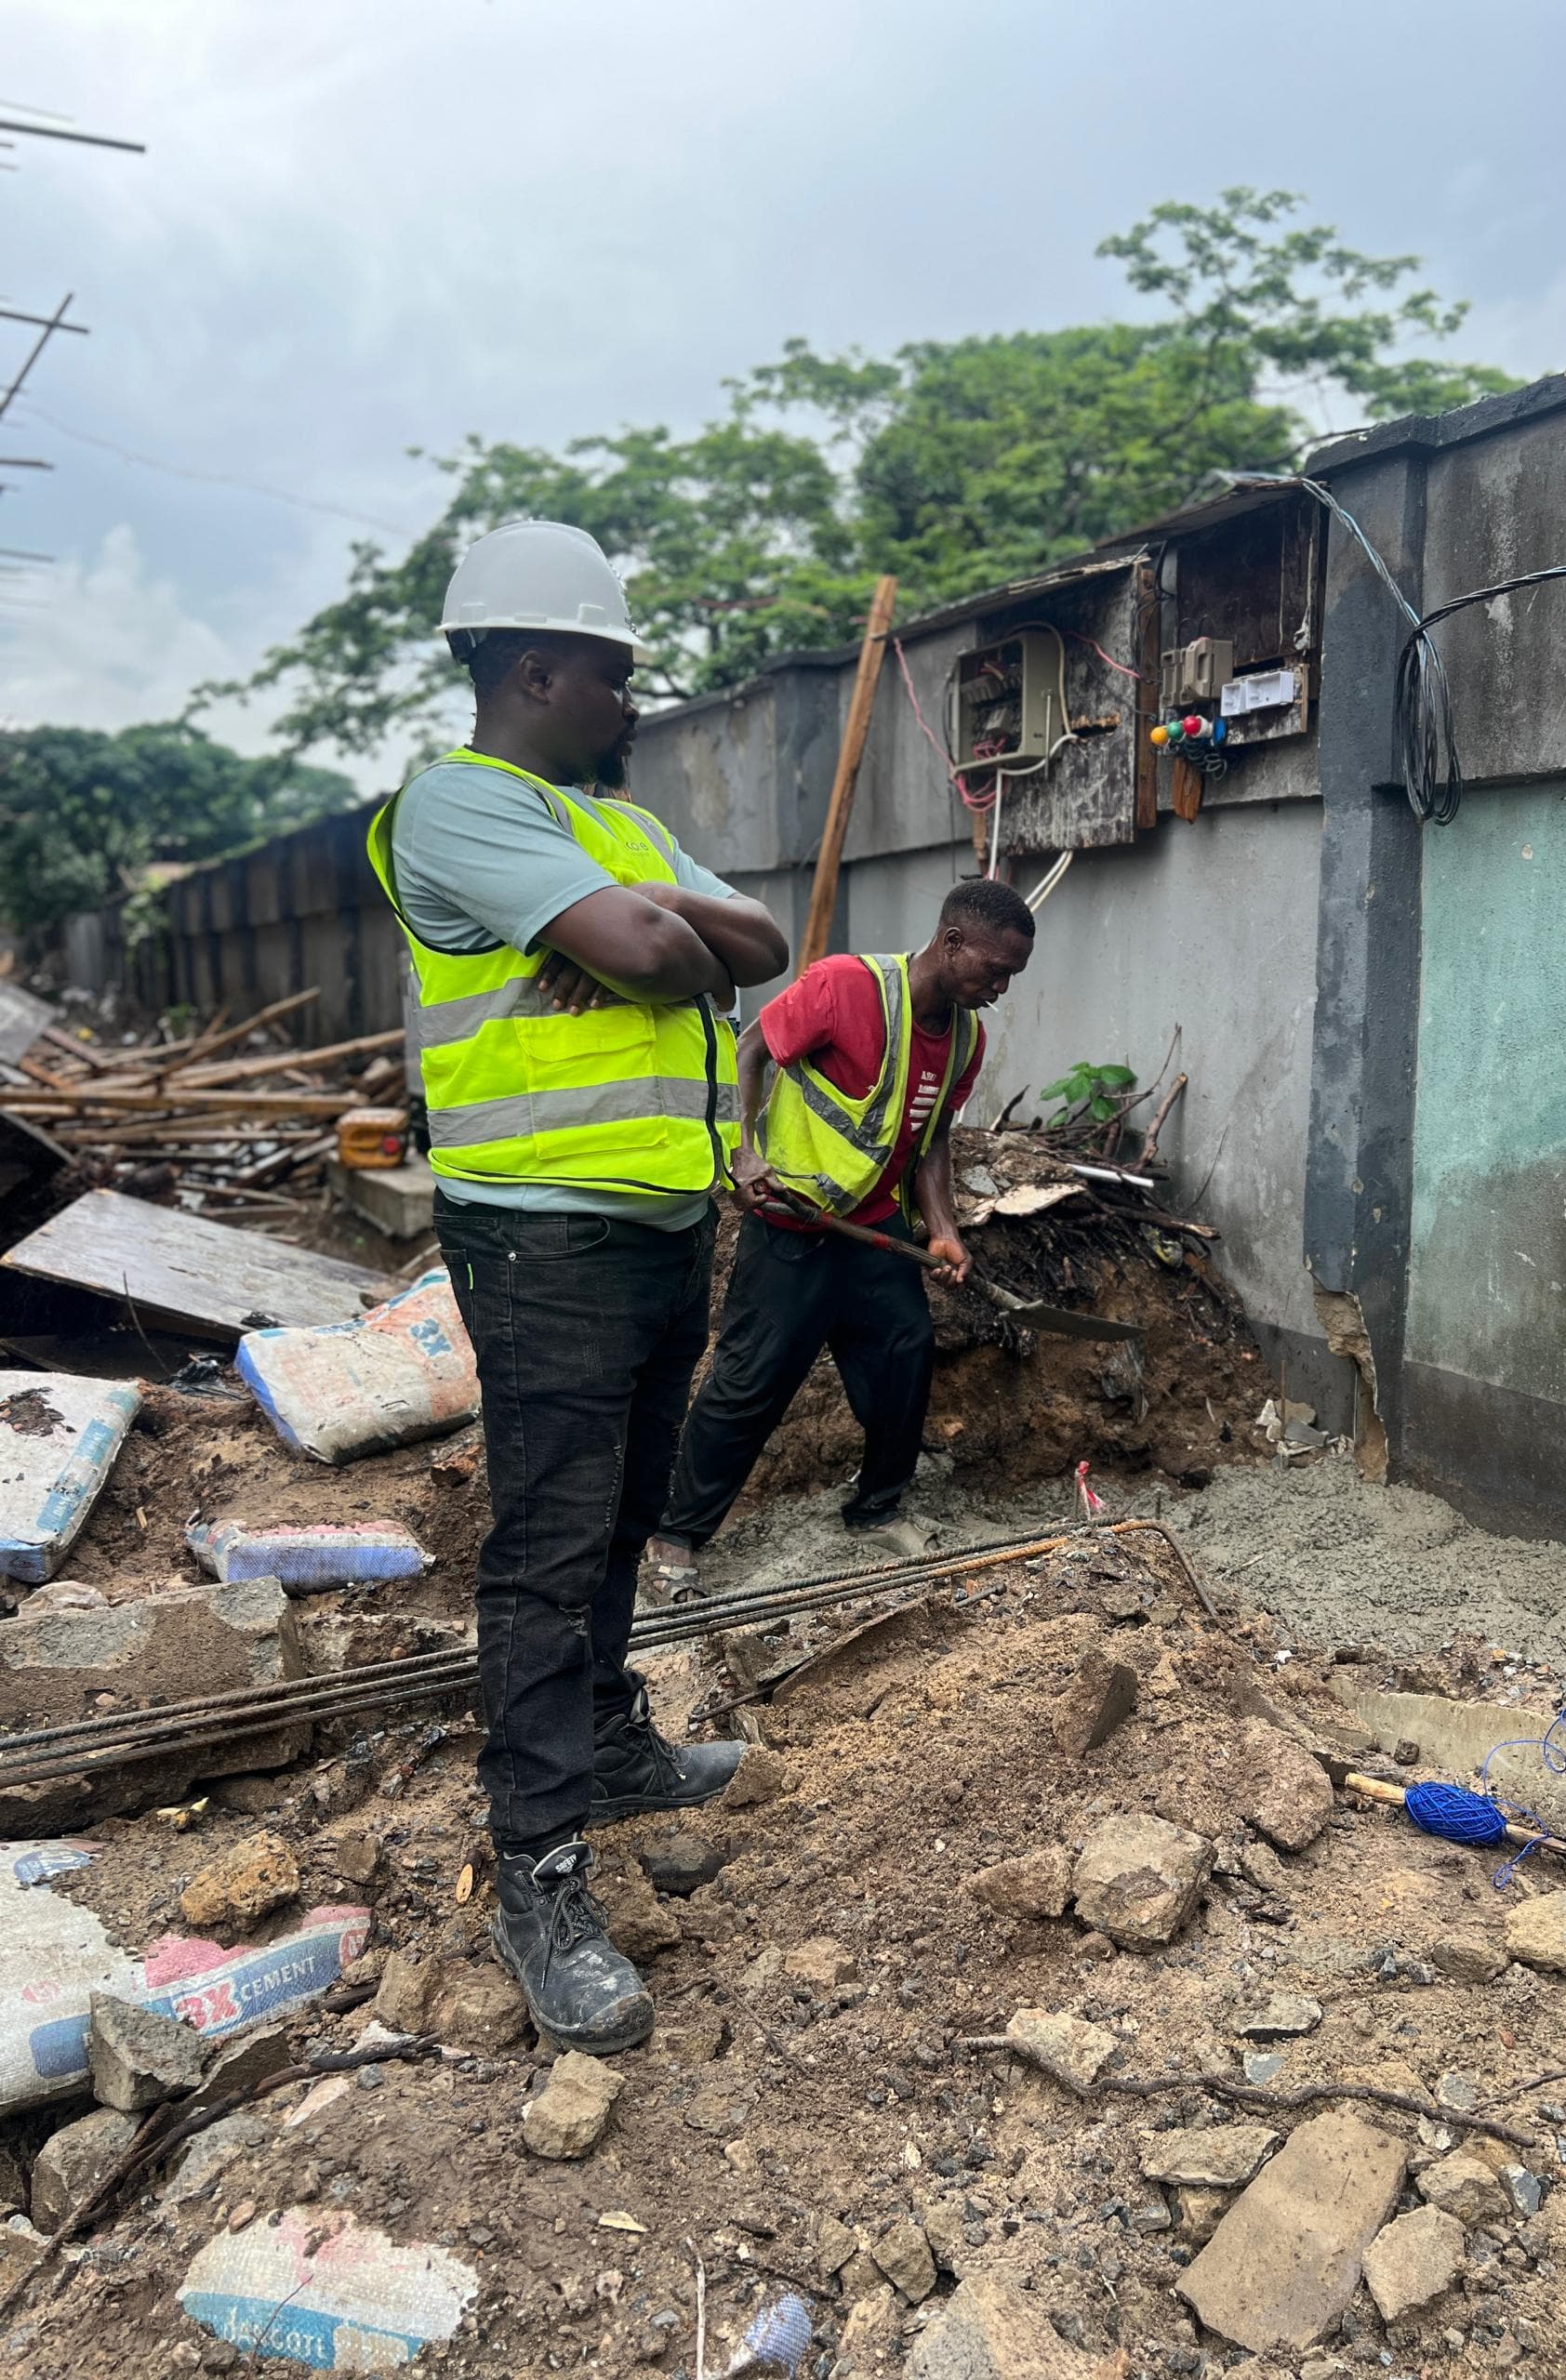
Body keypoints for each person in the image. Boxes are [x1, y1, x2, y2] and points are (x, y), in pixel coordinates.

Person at [365, 519, 790, 2055]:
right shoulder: (458, 807)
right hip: (541, 1242)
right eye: (614, 673)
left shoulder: (613, 822)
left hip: (662, 1225)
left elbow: (759, 943)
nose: (633, 700)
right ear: (536, 669)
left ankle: (607, 1745)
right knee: (546, 1553)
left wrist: (659, 933)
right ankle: (537, 1877)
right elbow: (658, 949)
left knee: (620, 1516)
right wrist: (654, 936)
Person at [647, 879, 1036, 1595]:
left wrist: (943, 1230)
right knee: (751, 1381)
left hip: (872, 1228)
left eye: (1012, 975)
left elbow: (932, 1138)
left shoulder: (966, 1039)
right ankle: (676, 1536)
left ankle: (876, 1507)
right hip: (791, 1223)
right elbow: (750, 1049)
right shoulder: (845, 986)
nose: (1001, 988)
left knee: (903, 1355)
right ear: (952, 943)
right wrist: (742, 1152)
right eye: (995, 970)